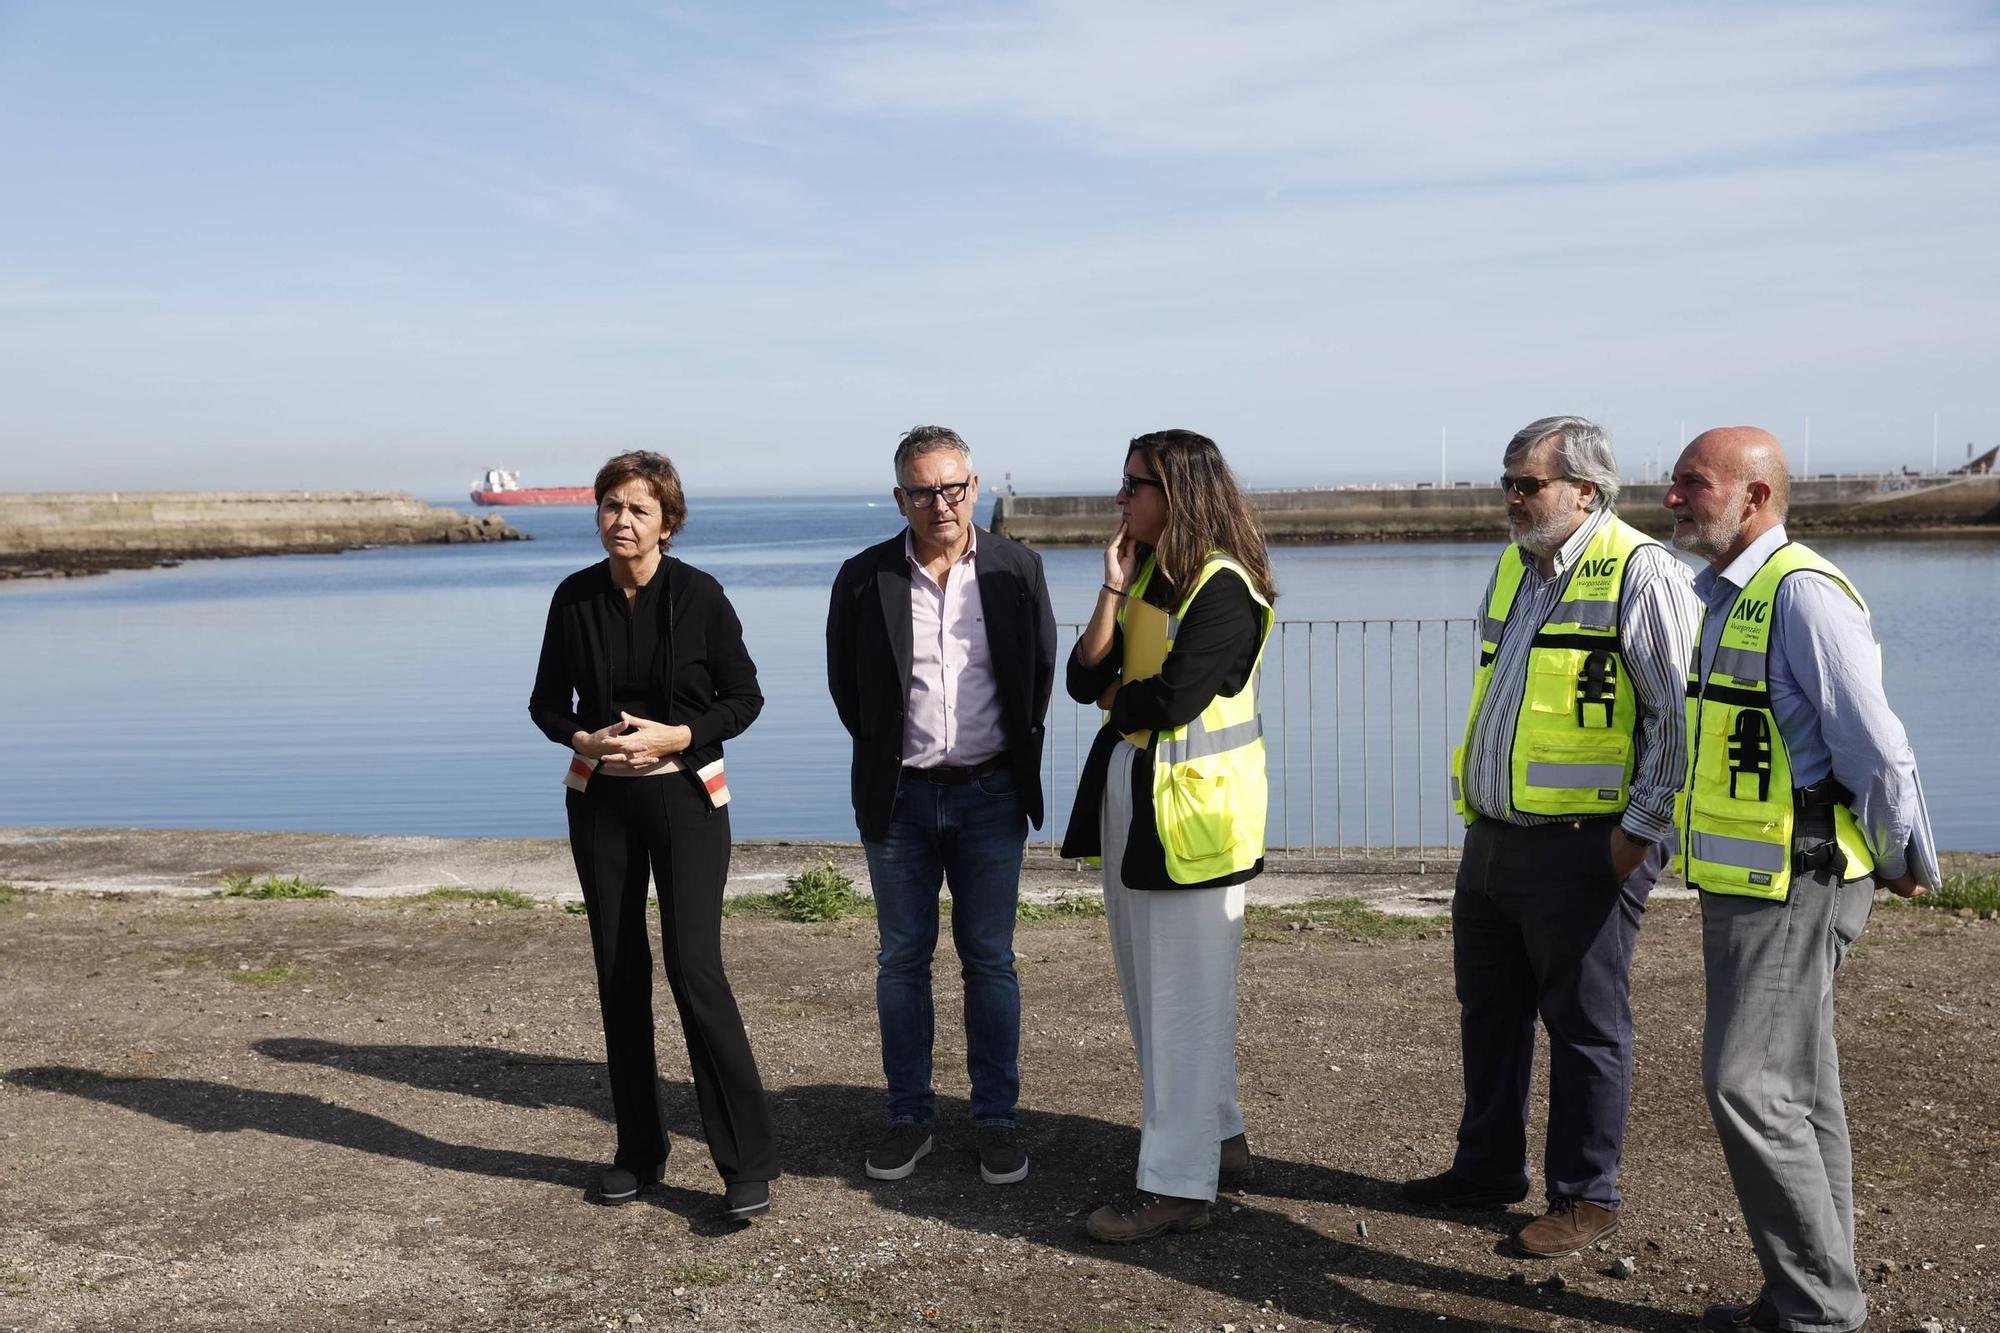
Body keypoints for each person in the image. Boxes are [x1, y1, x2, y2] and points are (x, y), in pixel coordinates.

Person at [1405, 416, 1698, 1258]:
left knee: (1585, 1023)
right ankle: (1487, 1167)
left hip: (1586, 845)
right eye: (1507, 481)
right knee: (1488, 1012)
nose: (1511, 497)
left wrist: (1634, 837)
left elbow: (1675, 723)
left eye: (1527, 483)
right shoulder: (1513, 566)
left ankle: (1585, 1194)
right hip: (1496, 838)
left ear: (1587, 491)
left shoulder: (1643, 573)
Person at [1666, 427, 1936, 1333]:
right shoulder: (1722, 595)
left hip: (1797, 880)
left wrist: (1905, 857)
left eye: (1692, 485)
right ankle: (1818, 1297)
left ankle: (1817, 1309)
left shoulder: (1804, 597)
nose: (1671, 499)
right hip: (1752, 883)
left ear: (1756, 499)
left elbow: (1877, 749)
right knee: (1802, 1088)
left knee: (1748, 1084)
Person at [529, 450, 777, 1220]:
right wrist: (582, 739)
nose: (621, 521)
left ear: (667, 521)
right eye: (609, 506)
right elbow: (544, 704)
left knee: (693, 967)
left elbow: (745, 698)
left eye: (637, 508)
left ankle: (745, 1161)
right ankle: (639, 1152)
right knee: (618, 969)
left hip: (686, 800)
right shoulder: (573, 598)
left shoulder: (701, 596)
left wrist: (679, 735)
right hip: (599, 802)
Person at [1061, 429, 1277, 1244]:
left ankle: (1179, 1184)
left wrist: (1123, 691)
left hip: (1195, 818)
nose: (1120, 500)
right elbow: (1086, 678)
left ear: (1178, 492)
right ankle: (1218, 1137)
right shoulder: (1154, 570)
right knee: (1154, 993)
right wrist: (1112, 588)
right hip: (1142, 806)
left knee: (1182, 1004)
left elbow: (1171, 701)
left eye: (1133, 486)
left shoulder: (1223, 586)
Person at [825, 425, 1056, 1186]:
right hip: (900, 799)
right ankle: (909, 1116)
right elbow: (848, 690)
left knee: (990, 959)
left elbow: (1038, 673)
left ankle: (995, 1118)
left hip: (991, 794)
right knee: (902, 959)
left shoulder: (1018, 568)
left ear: (974, 487)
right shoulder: (864, 578)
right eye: (922, 491)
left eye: (951, 488)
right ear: (900, 497)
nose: (939, 504)